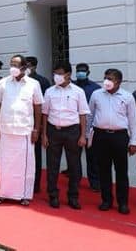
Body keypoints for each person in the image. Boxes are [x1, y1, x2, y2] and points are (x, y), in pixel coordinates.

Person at [0, 55, 43, 206]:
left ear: (24, 67)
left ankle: (25, 194)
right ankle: (4, 193)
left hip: (25, 131)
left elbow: (38, 107)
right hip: (6, 130)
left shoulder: (33, 84)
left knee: (25, 165)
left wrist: (36, 129)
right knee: (5, 164)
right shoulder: (3, 83)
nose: (12, 67)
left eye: (16, 64)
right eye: (11, 64)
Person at [88, 68, 136, 214]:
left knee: (121, 171)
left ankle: (122, 203)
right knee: (103, 170)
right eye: (105, 78)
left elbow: (133, 121)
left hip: (119, 137)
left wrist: (134, 142)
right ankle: (106, 200)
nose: (107, 81)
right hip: (100, 136)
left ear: (119, 81)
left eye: (110, 79)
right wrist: (87, 136)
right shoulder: (96, 94)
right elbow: (90, 116)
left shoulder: (127, 97)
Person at [41, 61, 88, 209]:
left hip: (72, 131)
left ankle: (73, 196)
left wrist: (82, 135)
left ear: (68, 74)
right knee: (52, 165)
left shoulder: (78, 91)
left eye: (60, 73)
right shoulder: (49, 91)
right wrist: (44, 134)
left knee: (74, 165)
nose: (57, 76)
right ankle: (53, 195)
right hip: (53, 130)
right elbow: (44, 114)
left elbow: (82, 115)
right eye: (55, 73)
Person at [74, 62, 102, 191]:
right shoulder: (71, 86)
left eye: (83, 70)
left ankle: (94, 183)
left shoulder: (96, 88)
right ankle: (75, 180)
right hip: (74, 126)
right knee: (74, 156)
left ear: (88, 72)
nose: (80, 72)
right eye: (78, 70)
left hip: (90, 126)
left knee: (93, 156)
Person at [27, 55, 52, 193]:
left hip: (36, 122)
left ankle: (35, 184)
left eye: (30, 65)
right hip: (22, 122)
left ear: (35, 66)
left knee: (36, 155)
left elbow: (44, 105)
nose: (27, 68)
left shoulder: (42, 81)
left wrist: (41, 125)